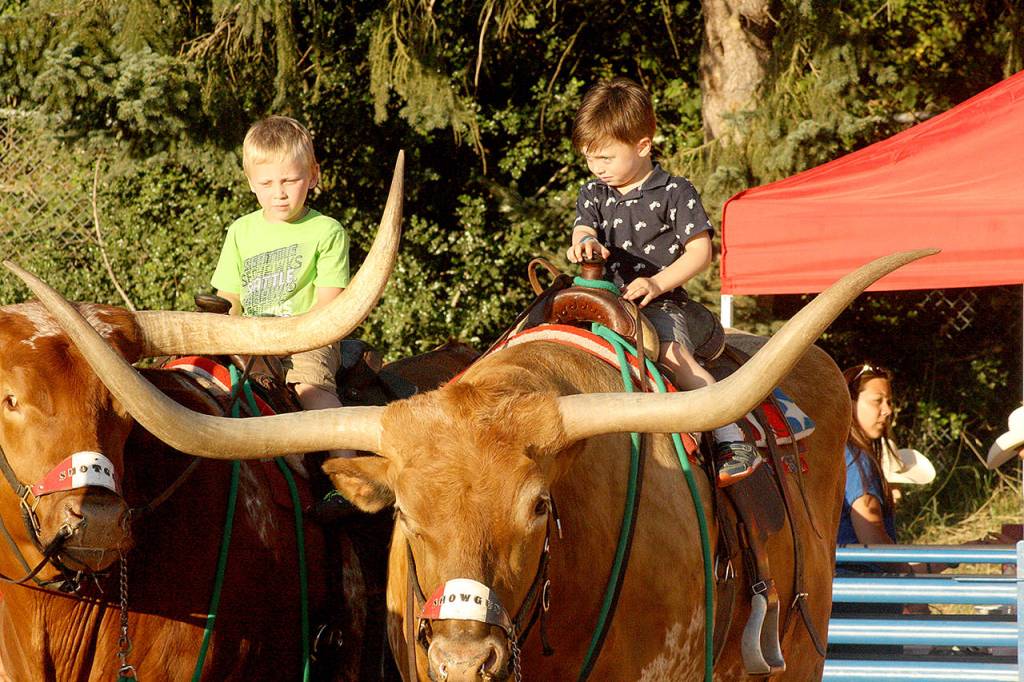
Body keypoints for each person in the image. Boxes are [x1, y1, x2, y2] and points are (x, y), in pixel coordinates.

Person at [565, 76, 756, 486]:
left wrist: (656, 284)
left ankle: (731, 435)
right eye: (589, 159)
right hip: (605, 299)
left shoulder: (674, 191)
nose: (597, 168)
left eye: (606, 158)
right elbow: (583, 229)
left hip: (661, 302)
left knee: (671, 356)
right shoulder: (594, 193)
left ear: (643, 145)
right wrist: (582, 246)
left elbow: (700, 252)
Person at [212, 115, 354, 460]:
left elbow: (330, 306)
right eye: (267, 182)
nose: (279, 192)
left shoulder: (326, 231)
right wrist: (226, 330)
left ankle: (347, 470)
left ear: (313, 175)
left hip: (309, 340)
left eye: (290, 180)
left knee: (309, 390)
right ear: (251, 183)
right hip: (250, 338)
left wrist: (291, 335)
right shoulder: (240, 232)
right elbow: (228, 298)